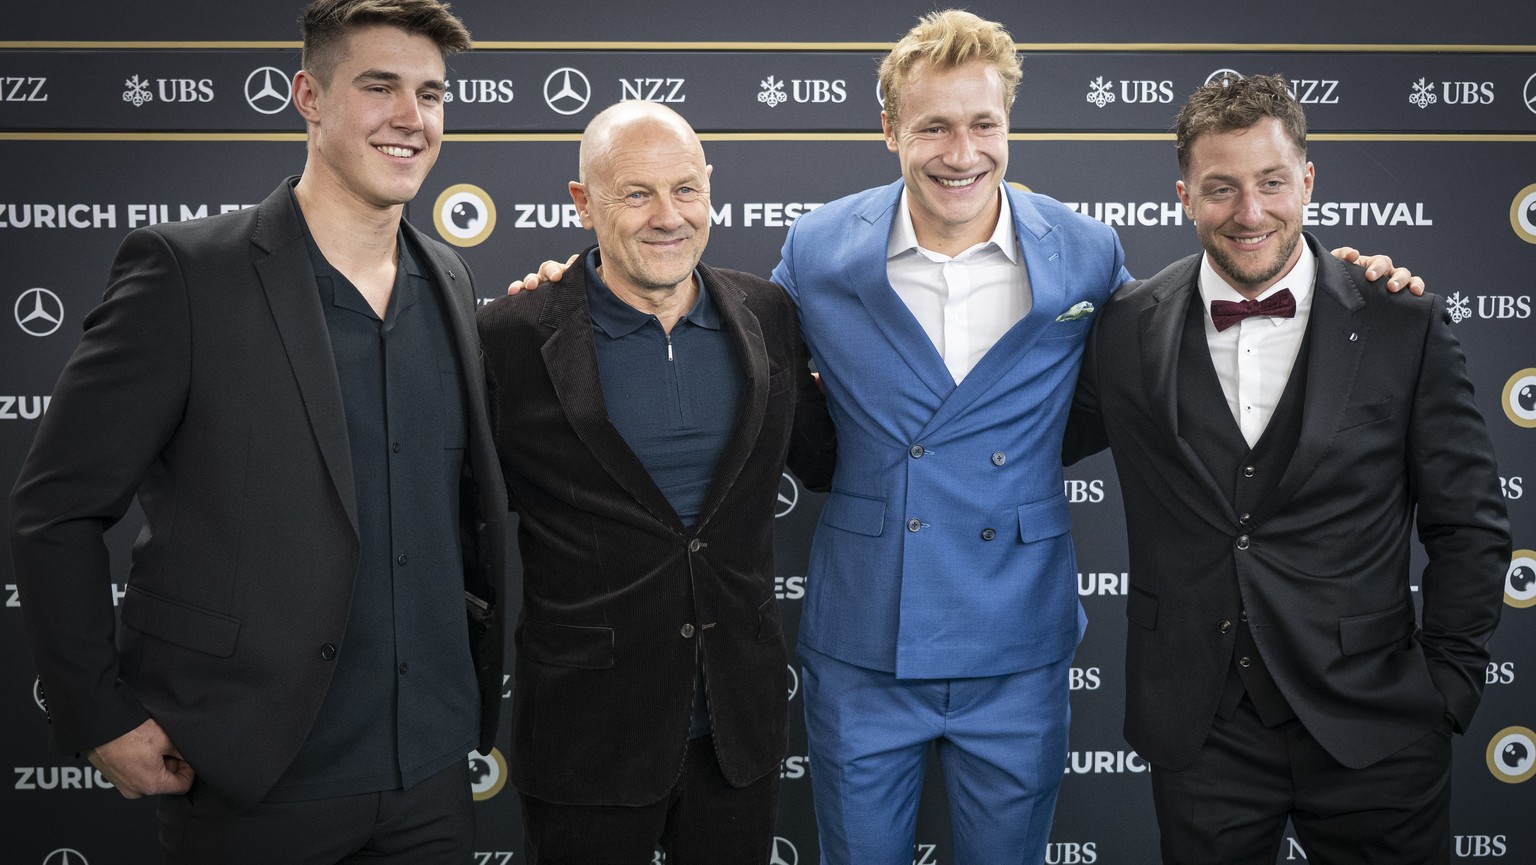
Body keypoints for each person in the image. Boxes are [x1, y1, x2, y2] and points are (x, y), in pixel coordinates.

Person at [505, 13, 1421, 863]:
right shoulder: (821, 247)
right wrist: (577, 286)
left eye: (983, 124)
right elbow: (730, 329)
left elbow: (1196, 336)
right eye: (934, 126)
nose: (961, 151)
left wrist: (1345, 278)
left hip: (1018, 635)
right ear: (889, 130)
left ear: (1010, 127)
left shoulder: (1084, 250)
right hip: (864, 633)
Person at [7, 2, 508, 862]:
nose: (411, 118)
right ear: (306, 96)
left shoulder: (453, 278)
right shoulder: (186, 274)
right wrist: (97, 710)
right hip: (253, 777)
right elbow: (56, 509)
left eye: (430, 94)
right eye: (378, 87)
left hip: (429, 775)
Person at [1064, 74, 1509, 864]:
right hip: (1204, 731)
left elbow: (1469, 523)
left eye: (1272, 182)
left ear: (1306, 181)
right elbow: (1020, 433)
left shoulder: (1402, 320)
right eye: (1221, 188)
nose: (1250, 211)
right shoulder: (1126, 328)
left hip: (1377, 724)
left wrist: (1448, 689)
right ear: (1184, 196)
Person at [477, 101, 835, 865]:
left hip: (736, 728)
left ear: (710, 188)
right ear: (583, 203)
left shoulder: (769, 312)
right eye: (635, 194)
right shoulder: (509, 336)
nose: (667, 217)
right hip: (585, 733)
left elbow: (830, 456)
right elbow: (451, 517)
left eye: (685, 190)